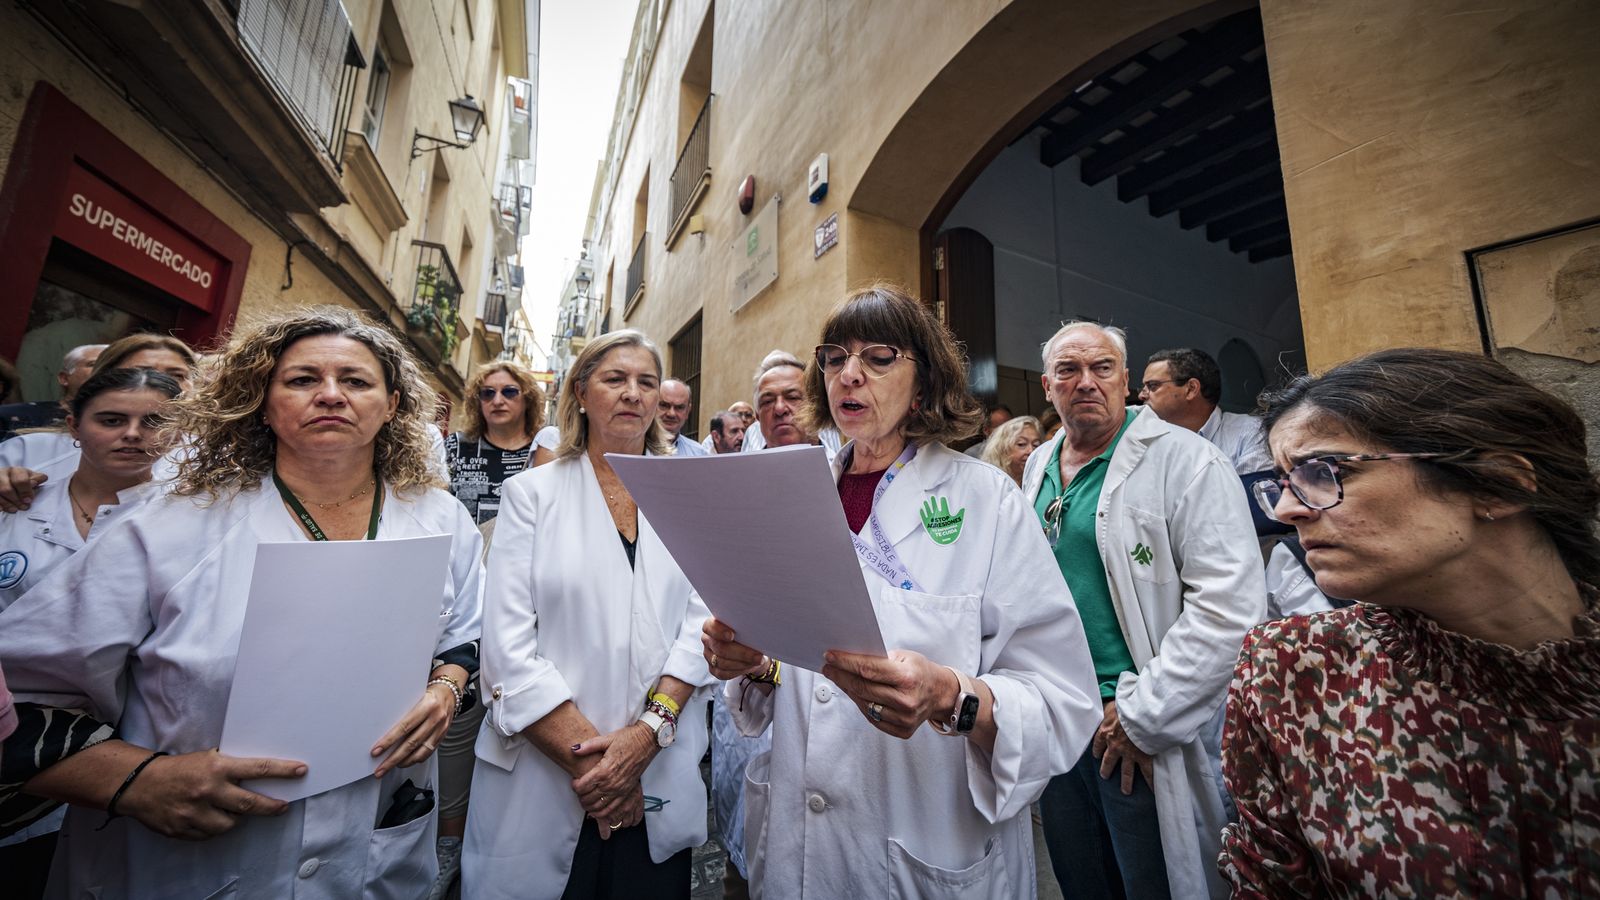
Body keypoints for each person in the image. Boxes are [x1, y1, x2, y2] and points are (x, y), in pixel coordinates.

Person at [0, 306, 483, 898]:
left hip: (375, 844)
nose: (330, 395)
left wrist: (446, 688)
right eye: (303, 380)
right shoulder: (171, 525)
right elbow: (24, 695)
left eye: (355, 380)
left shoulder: (440, 517)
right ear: (260, 399)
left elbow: (465, 633)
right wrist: (138, 780)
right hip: (189, 859)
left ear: (392, 403)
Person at [702, 285, 1101, 899]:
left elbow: (1063, 700)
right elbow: (797, 676)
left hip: (928, 846)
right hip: (797, 849)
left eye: (879, 356)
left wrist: (951, 697)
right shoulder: (794, 498)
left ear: (924, 383)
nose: (849, 375)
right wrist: (755, 667)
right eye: (834, 358)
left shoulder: (986, 501)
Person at [1221, 348, 1600, 897]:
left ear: (1497, 484)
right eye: (1282, 481)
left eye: (1323, 472)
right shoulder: (1294, 673)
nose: (1286, 510)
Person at [463, 330, 715, 900]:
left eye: (646, 382)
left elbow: (703, 623)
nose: (632, 393)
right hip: (547, 776)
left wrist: (645, 737)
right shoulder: (532, 494)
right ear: (579, 392)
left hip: (657, 772)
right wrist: (604, 773)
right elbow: (506, 651)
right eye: (614, 379)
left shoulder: (690, 496)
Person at [1021, 322, 1265, 900]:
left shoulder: (1189, 462)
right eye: (1068, 371)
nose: (1086, 382)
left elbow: (1228, 609)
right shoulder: (1039, 466)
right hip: (1056, 716)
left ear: (1126, 381)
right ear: (1046, 386)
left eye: (1103, 368)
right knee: (1081, 878)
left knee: (1148, 881)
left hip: (1128, 728)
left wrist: (1141, 716)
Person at [0, 367, 181, 898]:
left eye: (154, 422)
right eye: (110, 419)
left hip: (95, 764)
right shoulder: (14, 502)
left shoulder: (191, 525)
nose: (133, 433)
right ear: (73, 426)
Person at [1137, 348, 1270, 476]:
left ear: (1191, 389)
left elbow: (1252, 497)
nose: (1141, 396)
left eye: (1152, 386)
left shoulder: (1251, 432)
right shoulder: (1146, 443)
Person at [445, 361, 547, 525]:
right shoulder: (456, 447)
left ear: (528, 399)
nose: (498, 400)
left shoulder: (542, 452)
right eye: (488, 393)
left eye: (509, 392)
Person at [0, 345, 106, 462]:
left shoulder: (126, 424)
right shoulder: (11, 415)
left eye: (112, 365)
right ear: (64, 378)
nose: (106, 369)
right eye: (93, 364)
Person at [978, 414, 1041, 485]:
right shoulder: (989, 482)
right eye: (1021, 444)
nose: (1031, 451)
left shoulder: (1041, 482)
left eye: (1036, 445)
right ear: (1002, 448)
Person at [656, 379, 708, 456]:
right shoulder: (634, 448)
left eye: (679, 407)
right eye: (664, 405)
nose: (671, 414)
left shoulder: (698, 454)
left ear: (687, 411)